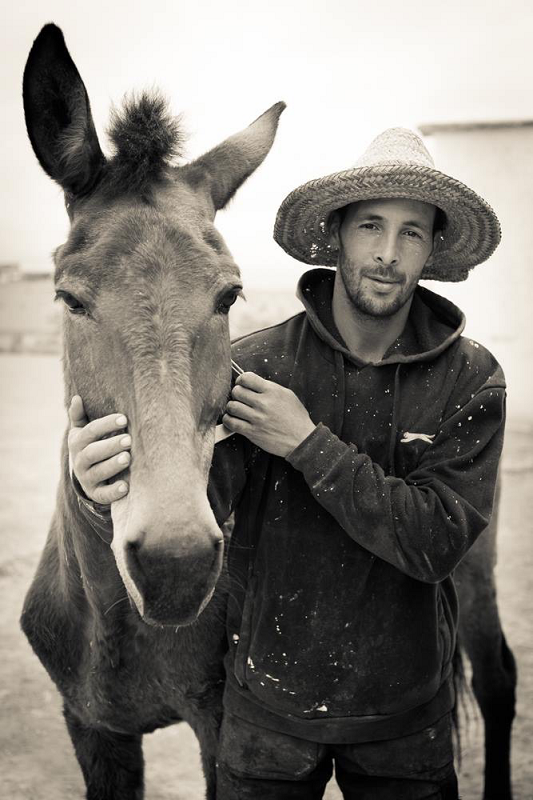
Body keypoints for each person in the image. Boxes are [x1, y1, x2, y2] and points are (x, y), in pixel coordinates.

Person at [69, 127, 505, 799]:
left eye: (412, 233)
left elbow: (437, 543)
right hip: (265, 722)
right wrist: (97, 490)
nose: (388, 253)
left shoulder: (471, 378)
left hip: (403, 721)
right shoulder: (255, 366)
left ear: (432, 249)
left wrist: (307, 444)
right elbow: (193, 511)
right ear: (337, 233)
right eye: (370, 225)